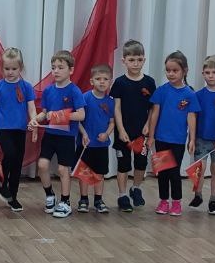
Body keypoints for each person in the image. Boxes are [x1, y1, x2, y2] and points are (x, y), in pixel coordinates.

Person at [0, 47, 39, 213]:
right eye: (7, 68)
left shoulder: (27, 87)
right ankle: (0, 180)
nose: (10, 72)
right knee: (10, 153)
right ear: (2, 68)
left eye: (14, 69)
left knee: (17, 163)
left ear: (20, 68)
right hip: (3, 128)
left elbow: (31, 108)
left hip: (20, 129)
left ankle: (13, 197)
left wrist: (34, 121)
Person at [36, 50, 85, 218]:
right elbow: (44, 113)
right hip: (50, 135)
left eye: (60, 67)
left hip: (67, 137)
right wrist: (35, 119)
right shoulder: (48, 91)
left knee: (63, 169)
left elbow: (81, 115)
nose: (56, 71)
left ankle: (65, 202)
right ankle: (50, 195)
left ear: (71, 70)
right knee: (42, 165)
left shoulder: (74, 91)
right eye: (53, 67)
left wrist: (60, 115)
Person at [148, 51, 197, 216]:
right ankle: (163, 201)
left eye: (175, 70)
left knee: (174, 172)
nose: (171, 74)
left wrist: (192, 139)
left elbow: (191, 116)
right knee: (162, 171)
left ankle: (176, 202)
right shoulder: (161, 91)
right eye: (168, 70)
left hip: (178, 140)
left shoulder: (189, 94)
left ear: (185, 71)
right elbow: (154, 114)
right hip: (161, 138)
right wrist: (151, 136)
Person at [111, 39, 155, 212]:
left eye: (139, 59)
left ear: (144, 60)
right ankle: (122, 195)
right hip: (123, 132)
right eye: (131, 60)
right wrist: (121, 129)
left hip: (141, 132)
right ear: (124, 61)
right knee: (123, 164)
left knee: (141, 163)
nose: (135, 63)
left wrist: (148, 125)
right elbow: (117, 108)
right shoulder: (120, 83)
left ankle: (136, 188)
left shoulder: (149, 82)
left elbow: (152, 108)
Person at [76, 64, 115, 213]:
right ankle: (83, 199)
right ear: (92, 81)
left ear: (110, 81)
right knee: (84, 173)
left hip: (101, 145)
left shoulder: (111, 101)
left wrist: (106, 134)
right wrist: (84, 134)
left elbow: (112, 122)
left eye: (105, 79)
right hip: (86, 144)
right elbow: (78, 120)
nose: (102, 82)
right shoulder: (84, 98)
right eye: (98, 79)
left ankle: (98, 200)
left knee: (100, 173)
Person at [191, 55, 215, 214]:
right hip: (201, 138)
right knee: (199, 169)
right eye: (207, 72)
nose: (211, 76)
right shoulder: (198, 95)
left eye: (214, 72)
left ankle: (213, 200)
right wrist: (192, 139)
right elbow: (193, 118)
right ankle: (197, 195)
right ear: (202, 74)